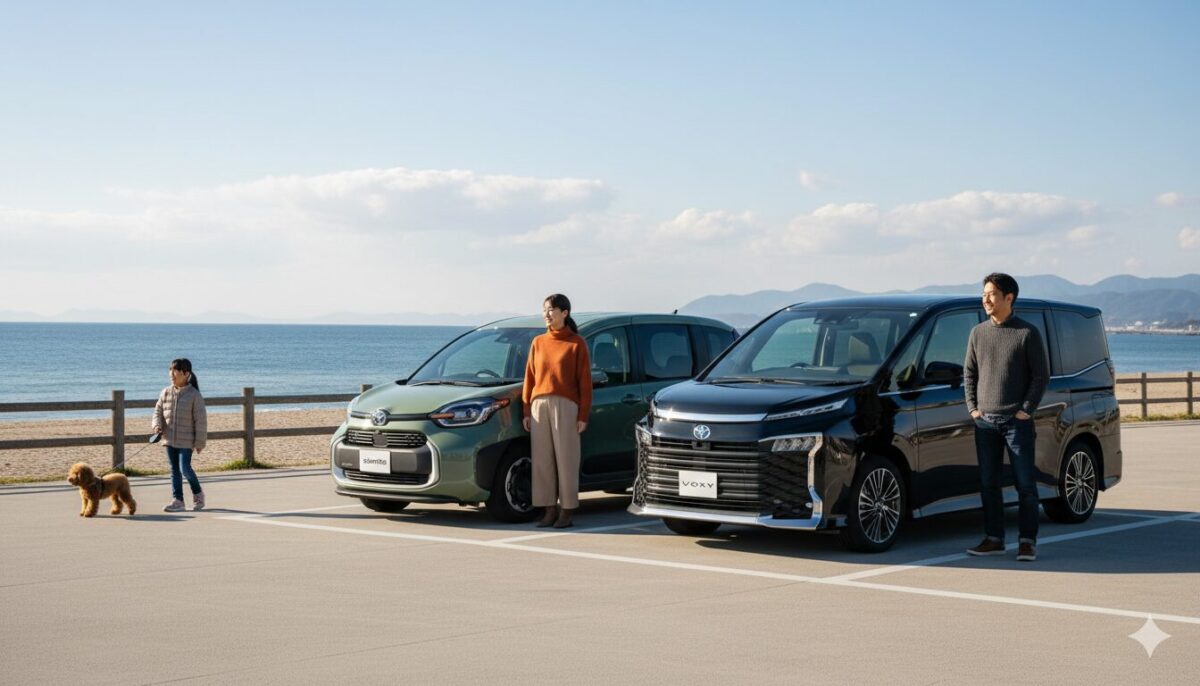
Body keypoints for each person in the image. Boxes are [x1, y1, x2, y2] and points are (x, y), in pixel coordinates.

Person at [964, 273, 1049, 561]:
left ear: (1009, 298)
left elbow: (1041, 376)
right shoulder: (978, 333)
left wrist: (1026, 409)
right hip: (985, 421)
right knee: (988, 484)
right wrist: (973, 409)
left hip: (1016, 422)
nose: (985, 299)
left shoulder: (1027, 333)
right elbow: (969, 373)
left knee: (1025, 485)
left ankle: (1027, 542)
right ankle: (994, 539)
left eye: (991, 294)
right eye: (984, 294)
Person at [522, 294, 593, 529]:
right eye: (544, 309)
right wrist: (526, 409)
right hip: (539, 406)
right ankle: (548, 509)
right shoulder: (538, 342)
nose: (546, 314)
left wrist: (583, 415)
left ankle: (567, 510)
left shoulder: (577, 343)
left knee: (566, 460)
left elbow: (585, 383)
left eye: (551, 309)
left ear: (565, 313)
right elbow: (530, 377)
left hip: (566, 406)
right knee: (542, 461)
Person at [152, 358, 208, 512]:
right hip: (169, 439)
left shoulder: (194, 395)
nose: (172, 374)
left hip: (186, 441)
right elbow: (157, 412)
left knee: (185, 469)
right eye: (170, 370)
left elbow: (201, 421)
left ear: (186, 374)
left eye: (175, 371)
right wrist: (156, 425)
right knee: (174, 470)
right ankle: (178, 501)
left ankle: (198, 494)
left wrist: (200, 442)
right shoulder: (165, 392)